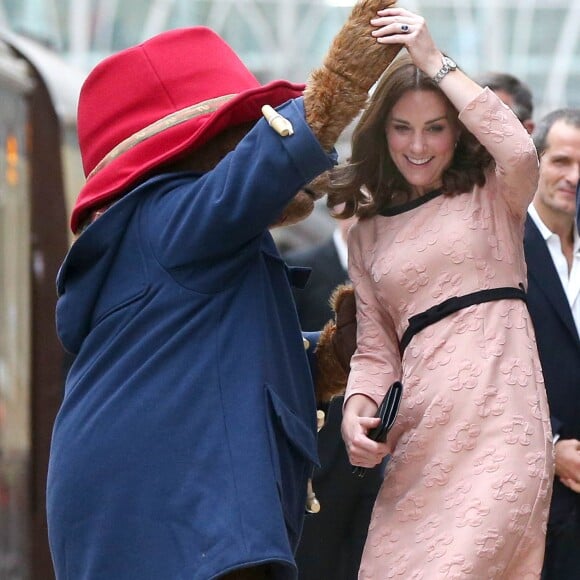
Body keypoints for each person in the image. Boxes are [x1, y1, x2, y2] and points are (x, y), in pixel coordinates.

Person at [45, 2, 403, 579]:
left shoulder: (171, 239)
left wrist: (331, 355)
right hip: (173, 514)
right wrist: (344, 80)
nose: (256, 136)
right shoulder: (165, 215)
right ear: (188, 149)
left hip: (161, 508)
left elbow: (226, 361)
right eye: (242, 130)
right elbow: (261, 169)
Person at [324, 6, 553, 578]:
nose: (418, 145)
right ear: (382, 131)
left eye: (435, 127)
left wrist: (430, 58)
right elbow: (377, 351)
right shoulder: (369, 233)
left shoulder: (495, 191)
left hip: (503, 427)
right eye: (402, 127)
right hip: (419, 439)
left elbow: (521, 150)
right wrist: (356, 410)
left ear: (458, 131)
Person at [284, 214, 384, 580]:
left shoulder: (398, 275)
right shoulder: (301, 269)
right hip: (319, 455)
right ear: (341, 209)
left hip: (380, 451)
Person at [524, 108, 580, 579]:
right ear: (536, 161)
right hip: (530, 494)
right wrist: (552, 442)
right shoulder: (502, 246)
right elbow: (489, 366)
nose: (574, 177)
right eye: (561, 161)